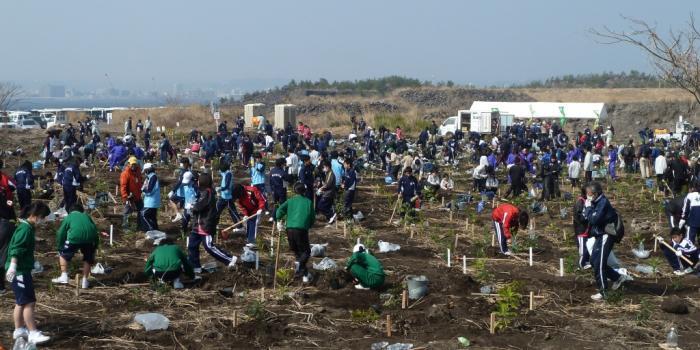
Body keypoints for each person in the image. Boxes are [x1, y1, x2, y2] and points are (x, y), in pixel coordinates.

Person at [5, 202, 51, 344]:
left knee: (21, 301)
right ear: (35, 216)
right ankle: (33, 332)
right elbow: (16, 248)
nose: (44, 221)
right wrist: (13, 265)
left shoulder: (26, 227)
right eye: (43, 217)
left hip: (22, 268)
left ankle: (19, 329)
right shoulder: (25, 229)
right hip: (19, 270)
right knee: (28, 302)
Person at [583, 182, 631, 301]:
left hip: (606, 235)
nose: (588, 196)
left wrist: (588, 208)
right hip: (600, 235)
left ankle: (603, 291)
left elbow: (594, 219)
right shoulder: (597, 202)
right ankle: (618, 278)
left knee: (599, 262)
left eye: (589, 193)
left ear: (596, 193)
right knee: (594, 261)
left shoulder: (602, 203)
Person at [187, 173, 237, 273]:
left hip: (205, 225)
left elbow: (199, 206)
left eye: (198, 180)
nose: (197, 182)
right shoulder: (203, 192)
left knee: (209, 246)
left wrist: (192, 207)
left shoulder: (208, 193)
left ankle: (229, 259)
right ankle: (195, 266)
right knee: (192, 245)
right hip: (198, 225)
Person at [50, 203, 98, 289]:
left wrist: (60, 246)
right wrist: (95, 245)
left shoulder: (69, 217)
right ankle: (84, 281)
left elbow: (61, 232)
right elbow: (94, 230)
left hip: (75, 237)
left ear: (70, 211)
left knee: (63, 255)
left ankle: (64, 276)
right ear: (81, 210)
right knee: (88, 258)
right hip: (90, 239)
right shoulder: (87, 216)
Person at [276, 183, 315, 282]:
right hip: (301, 229)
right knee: (306, 252)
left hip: (289, 229)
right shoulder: (308, 202)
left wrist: (279, 219)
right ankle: (299, 265)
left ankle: (304, 274)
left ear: (294, 191)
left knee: (298, 252)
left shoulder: (290, 201)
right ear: (304, 191)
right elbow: (312, 218)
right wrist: (308, 225)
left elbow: (279, 210)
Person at [120, 157, 144, 229]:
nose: (133, 166)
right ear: (128, 164)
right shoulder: (125, 174)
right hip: (129, 197)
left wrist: (141, 192)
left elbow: (140, 183)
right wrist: (125, 196)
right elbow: (123, 186)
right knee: (127, 212)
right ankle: (125, 227)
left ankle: (140, 226)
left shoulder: (138, 172)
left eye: (135, 164)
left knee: (141, 211)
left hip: (138, 196)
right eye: (132, 164)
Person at [573, 187, 591, 269]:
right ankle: (581, 264)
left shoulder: (587, 201)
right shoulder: (580, 202)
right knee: (582, 248)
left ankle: (586, 262)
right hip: (581, 230)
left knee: (587, 247)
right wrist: (587, 210)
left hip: (587, 229)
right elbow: (579, 218)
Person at [141, 163, 160, 231]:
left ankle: (150, 230)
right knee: (152, 217)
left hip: (151, 201)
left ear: (147, 170)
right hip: (151, 201)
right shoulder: (149, 178)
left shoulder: (153, 177)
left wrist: (143, 190)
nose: (145, 173)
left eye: (145, 171)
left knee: (143, 214)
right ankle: (156, 230)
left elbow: (149, 191)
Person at [680, 181, 700, 245]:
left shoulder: (689, 196)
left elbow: (686, 209)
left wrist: (683, 218)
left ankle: (690, 253)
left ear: (692, 188)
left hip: (692, 223)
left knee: (690, 241)